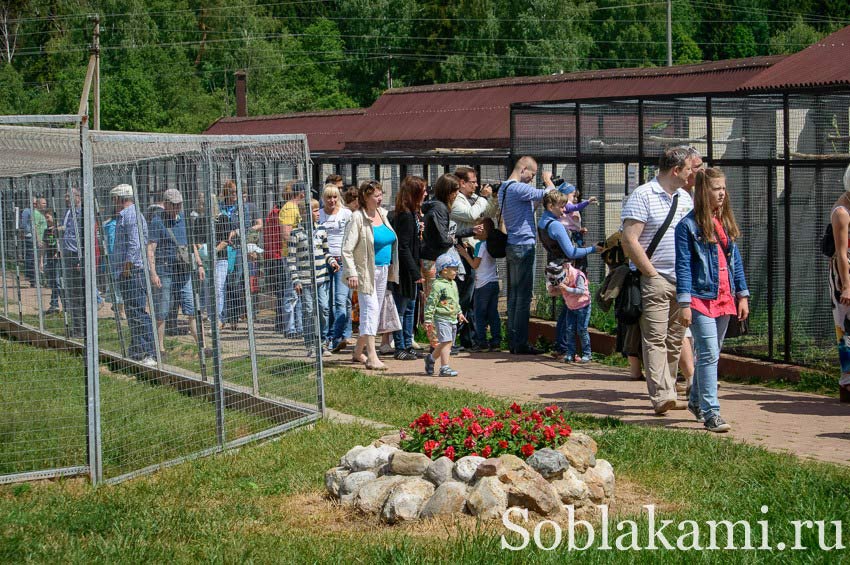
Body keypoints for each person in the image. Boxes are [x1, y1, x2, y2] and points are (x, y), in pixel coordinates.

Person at [621, 146, 695, 415]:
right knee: (654, 338)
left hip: (681, 280)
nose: (690, 175)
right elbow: (629, 239)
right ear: (676, 170)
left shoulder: (685, 199)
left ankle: (670, 389)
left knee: (675, 339)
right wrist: (651, 273)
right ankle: (662, 394)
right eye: (688, 169)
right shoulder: (642, 195)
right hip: (654, 279)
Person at [675, 167, 749, 432]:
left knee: (712, 353)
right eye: (716, 188)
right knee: (707, 355)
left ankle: (695, 400)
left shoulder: (724, 222)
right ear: (703, 191)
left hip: (724, 297)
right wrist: (684, 303)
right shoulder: (687, 226)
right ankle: (711, 412)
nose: (722, 193)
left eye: (723, 188)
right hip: (699, 298)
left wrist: (742, 295)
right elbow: (683, 265)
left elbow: (735, 261)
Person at [499, 156, 556, 355]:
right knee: (523, 296)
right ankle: (520, 343)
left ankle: (514, 340)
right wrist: (548, 180)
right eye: (531, 174)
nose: (532, 178)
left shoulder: (504, 188)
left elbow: (527, 207)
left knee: (514, 294)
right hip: (523, 245)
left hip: (512, 244)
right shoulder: (517, 188)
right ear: (523, 169)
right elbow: (550, 195)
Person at [341, 180, 399, 370]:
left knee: (375, 311)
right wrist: (351, 273)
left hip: (383, 270)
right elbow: (347, 249)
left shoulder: (382, 214)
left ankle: (358, 352)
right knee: (371, 310)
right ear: (365, 197)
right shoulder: (357, 218)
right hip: (365, 272)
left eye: (381, 194)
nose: (380, 198)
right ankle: (372, 356)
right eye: (376, 195)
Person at [537, 190, 602, 359]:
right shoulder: (556, 225)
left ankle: (562, 346)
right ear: (550, 206)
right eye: (561, 206)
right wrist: (593, 249)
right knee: (571, 307)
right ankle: (565, 347)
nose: (564, 209)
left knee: (566, 306)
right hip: (565, 268)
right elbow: (571, 252)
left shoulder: (543, 222)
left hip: (553, 266)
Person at [148, 189, 203, 353]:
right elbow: (151, 249)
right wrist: (153, 273)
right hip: (165, 271)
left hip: (184, 271)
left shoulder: (185, 220)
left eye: (180, 204)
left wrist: (199, 264)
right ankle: (160, 348)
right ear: (166, 205)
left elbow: (191, 244)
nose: (178, 207)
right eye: (175, 204)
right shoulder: (157, 222)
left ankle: (202, 346)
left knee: (192, 308)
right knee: (162, 311)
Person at [110, 184, 157, 366]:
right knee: (131, 312)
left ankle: (149, 352)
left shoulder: (131, 216)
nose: (113, 203)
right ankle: (137, 350)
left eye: (114, 199)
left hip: (133, 270)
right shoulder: (125, 216)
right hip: (126, 270)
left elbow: (135, 245)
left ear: (120, 199)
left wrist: (127, 267)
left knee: (138, 311)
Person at [450, 166, 496, 348]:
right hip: (461, 252)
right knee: (462, 297)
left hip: (471, 249)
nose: (476, 185)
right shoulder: (456, 201)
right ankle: (455, 338)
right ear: (461, 183)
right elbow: (471, 215)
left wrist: (492, 198)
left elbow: (487, 215)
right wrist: (483, 198)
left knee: (469, 298)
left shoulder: (473, 199)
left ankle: (469, 338)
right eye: (473, 182)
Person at [421, 174, 481, 309]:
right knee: (438, 302)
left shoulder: (436, 206)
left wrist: (470, 231)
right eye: (455, 191)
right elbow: (444, 238)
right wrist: (452, 241)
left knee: (436, 299)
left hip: (432, 258)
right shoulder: (439, 208)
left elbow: (445, 234)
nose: (457, 195)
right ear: (448, 192)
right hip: (434, 260)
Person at [289, 199, 337, 357]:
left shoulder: (322, 230)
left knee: (324, 309)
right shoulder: (296, 233)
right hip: (305, 281)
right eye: (315, 211)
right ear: (304, 213)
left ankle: (323, 343)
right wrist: (296, 280)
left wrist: (332, 262)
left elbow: (326, 252)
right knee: (309, 311)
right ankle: (310, 344)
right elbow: (291, 259)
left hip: (322, 278)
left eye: (318, 211)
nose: (318, 214)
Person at [390, 176, 426, 360]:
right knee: (401, 308)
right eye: (423, 191)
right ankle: (400, 346)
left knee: (411, 307)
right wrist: (414, 271)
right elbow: (403, 247)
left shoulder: (412, 213)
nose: (425, 194)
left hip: (412, 269)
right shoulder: (404, 214)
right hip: (404, 271)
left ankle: (407, 342)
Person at [455, 218, 501, 352]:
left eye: (479, 229)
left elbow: (475, 264)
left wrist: (464, 254)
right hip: (493, 282)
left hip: (482, 285)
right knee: (493, 313)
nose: (475, 231)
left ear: (484, 231)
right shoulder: (491, 244)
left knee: (479, 314)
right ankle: (496, 341)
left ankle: (482, 342)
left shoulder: (480, 245)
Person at [319, 184, 353, 352]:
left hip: (341, 261)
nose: (331, 201)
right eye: (328, 197)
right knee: (326, 303)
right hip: (324, 261)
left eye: (334, 197)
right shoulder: (319, 214)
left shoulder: (346, 214)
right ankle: (330, 337)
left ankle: (336, 337)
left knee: (341, 301)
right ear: (323, 199)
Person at [423, 253, 467, 377]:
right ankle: (444, 368)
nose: (456, 272)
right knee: (446, 341)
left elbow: (455, 300)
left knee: (447, 343)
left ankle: (430, 359)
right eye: (454, 269)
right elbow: (431, 302)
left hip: (452, 318)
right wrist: (428, 319)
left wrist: (459, 313)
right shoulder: (438, 285)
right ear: (444, 270)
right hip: (441, 318)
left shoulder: (453, 283)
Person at [828, 164, 850, 403]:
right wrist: (847, 286)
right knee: (845, 329)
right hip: (845, 274)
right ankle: (847, 381)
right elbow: (842, 253)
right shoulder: (842, 212)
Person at [546, 261, 592, 363]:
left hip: (583, 306)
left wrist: (567, 288)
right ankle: (570, 354)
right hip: (571, 307)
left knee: (582, 330)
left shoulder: (578, 275)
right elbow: (556, 289)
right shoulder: (558, 277)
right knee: (569, 330)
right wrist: (552, 289)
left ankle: (587, 354)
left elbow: (581, 290)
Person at [279, 183, 307, 337]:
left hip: (300, 254)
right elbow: (285, 234)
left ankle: (299, 326)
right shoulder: (290, 208)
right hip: (291, 255)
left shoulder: (296, 208)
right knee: (292, 291)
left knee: (299, 291)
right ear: (301, 193)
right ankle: (290, 328)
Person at [60, 189, 86, 338]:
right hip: (68, 255)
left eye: (69, 196)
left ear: (78, 197)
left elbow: (84, 238)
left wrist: (80, 259)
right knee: (70, 294)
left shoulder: (81, 213)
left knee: (77, 295)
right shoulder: (68, 212)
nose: (67, 199)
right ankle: (76, 327)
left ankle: (80, 329)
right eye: (65, 197)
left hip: (77, 255)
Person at [42, 210, 62, 315]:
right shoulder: (46, 231)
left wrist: (58, 252)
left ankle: (66, 304)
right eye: (45, 217)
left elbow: (61, 241)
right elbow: (44, 246)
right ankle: (54, 304)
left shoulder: (58, 230)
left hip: (57, 260)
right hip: (49, 259)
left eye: (48, 217)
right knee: (53, 282)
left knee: (58, 282)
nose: (47, 219)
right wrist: (41, 260)